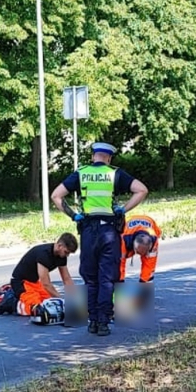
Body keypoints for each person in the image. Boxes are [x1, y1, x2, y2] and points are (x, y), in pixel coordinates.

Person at [50, 141, 149, 336]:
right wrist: (122, 209)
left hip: (88, 232)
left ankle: (92, 321)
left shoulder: (81, 173)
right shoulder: (115, 173)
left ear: (93, 156)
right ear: (109, 158)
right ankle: (104, 323)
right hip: (109, 232)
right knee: (106, 278)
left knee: (91, 278)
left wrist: (73, 215)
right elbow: (142, 190)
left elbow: (56, 196)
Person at [2, 233, 78, 316]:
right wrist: (62, 300)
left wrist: (74, 299)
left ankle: (23, 297)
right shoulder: (44, 254)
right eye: (66, 252)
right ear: (59, 246)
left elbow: (66, 279)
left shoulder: (61, 256)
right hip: (21, 282)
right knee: (36, 309)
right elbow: (46, 283)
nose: (67, 255)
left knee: (49, 304)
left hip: (34, 282)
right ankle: (13, 303)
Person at [119, 215, 161, 284]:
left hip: (148, 219)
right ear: (134, 248)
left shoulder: (154, 240)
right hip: (129, 225)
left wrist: (144, 287)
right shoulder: (123, 239)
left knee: (147, 274)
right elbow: (119, 266)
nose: (141, 255)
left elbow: (149, 267)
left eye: (144, 253)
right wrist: (119, 285)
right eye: (138, 252)